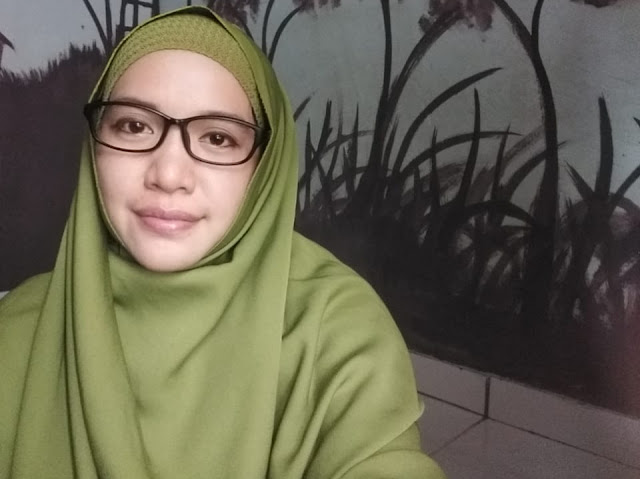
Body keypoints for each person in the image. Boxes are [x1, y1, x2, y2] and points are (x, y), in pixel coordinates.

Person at [0, 6, 446, 479]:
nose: (169, 174)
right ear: (95, 147)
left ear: (263, 166)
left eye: (217, 138)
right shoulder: (22, 326)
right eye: (133, 126)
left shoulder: (334, 327)